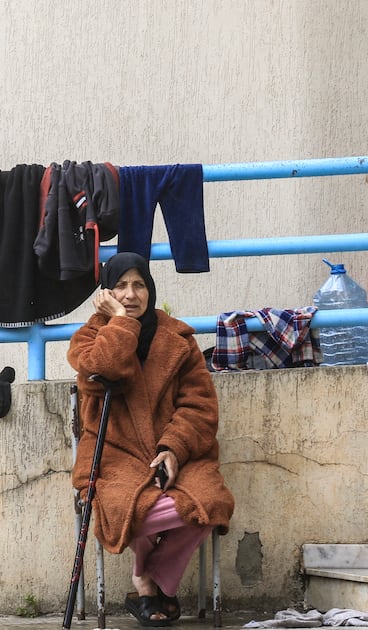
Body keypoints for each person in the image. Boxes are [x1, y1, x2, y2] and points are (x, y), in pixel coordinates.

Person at [67, 252, 234, 627]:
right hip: (113, 456)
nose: (131, 294)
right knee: (132, 506)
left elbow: (199, 405)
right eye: (121, 286)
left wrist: (172, 449)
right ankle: (151, 587)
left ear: (151, 288)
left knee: (208, 503)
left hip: (178, 454)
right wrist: (121, 324)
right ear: (106, 293)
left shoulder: (178, 339)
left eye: (139, 284)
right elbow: (104, 368)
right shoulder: (89, 338)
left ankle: (151, 576)